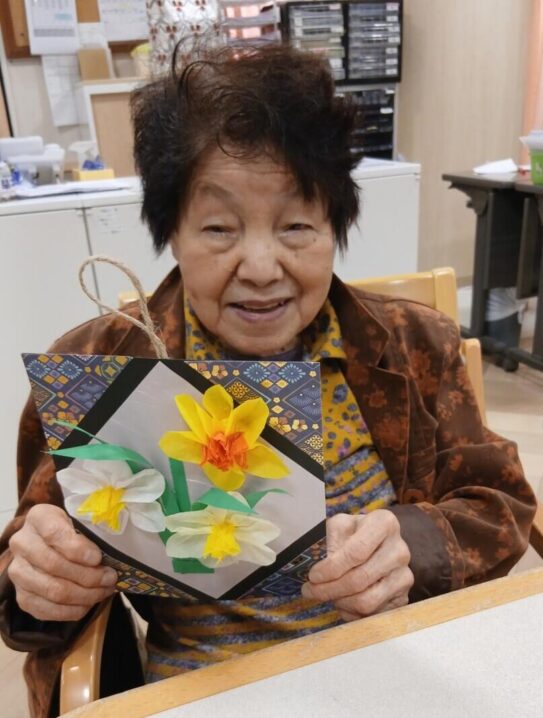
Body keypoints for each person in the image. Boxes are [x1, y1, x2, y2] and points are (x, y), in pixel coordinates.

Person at [0, 43, 536, 718]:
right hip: (200, 691)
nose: (260, 266)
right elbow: (28, 574)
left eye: (296, 225)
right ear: (172, 233)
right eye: (219, 228)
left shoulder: (410, 344)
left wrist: (410, 544)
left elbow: (500, 503)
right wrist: (40, 580)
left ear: (335, 227)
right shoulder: (101, 367)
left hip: (392, 668)